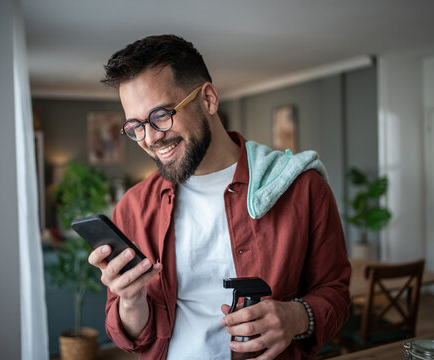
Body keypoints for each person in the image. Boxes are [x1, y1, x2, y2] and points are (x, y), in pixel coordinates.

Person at [88, 34, 351, 360]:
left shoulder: (303, 188)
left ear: (209, 99)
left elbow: (336, 295)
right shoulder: (133, 208)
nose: (151, 138)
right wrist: (130, 300)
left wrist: (296, 317)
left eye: (160, 115)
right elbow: (132, 337)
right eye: (136, 126)